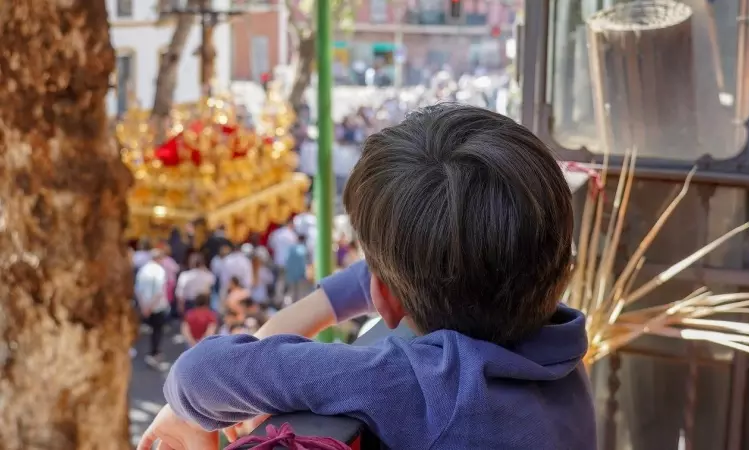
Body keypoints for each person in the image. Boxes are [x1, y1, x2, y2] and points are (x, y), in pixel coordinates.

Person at [139, 105, 594, 449]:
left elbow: (198, 375)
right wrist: (383, 280)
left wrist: (190, 415)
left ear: (386, 298)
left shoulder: (425, 388)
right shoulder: (562, 353)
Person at [134, 248, 171, 370]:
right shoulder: (160, 271)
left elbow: (137, 289)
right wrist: (150, 306)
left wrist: (143, 306)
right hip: (157, 306)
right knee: (157, 331)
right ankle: (154, 353)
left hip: (144, 304)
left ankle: (137, 350)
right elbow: (159, 292)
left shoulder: (143, 269)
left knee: (146, 329)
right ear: (159, 258)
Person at [283, 235, 309, 303]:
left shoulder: (291, 248)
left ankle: (293, 303)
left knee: (292, 290)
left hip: (291, 272)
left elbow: (287, 260)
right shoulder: (302, 248)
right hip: (299, 273)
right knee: (299, 291)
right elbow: (303, 262)